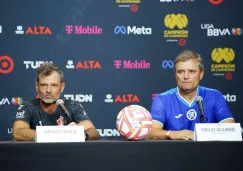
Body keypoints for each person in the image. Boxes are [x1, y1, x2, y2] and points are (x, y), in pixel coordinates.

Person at [147, 50, 235, 140]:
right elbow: (150, 132)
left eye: (192, 71)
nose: (186, 76)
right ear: (175, 75)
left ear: (201, 74)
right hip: (175, 152)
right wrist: (172, 134)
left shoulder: (215, 96)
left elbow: (230, 129)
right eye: (180, 71)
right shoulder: (162, 99)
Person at [13, 62, 99, 141]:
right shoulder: (28, 107)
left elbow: (93, 132)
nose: (48, 90)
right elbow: (17, 132)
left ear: (62, 87)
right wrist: (55, 135)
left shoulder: (72, 106)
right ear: (37, 86)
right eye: (44, 85)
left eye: (54, 85)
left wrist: (81, 134)